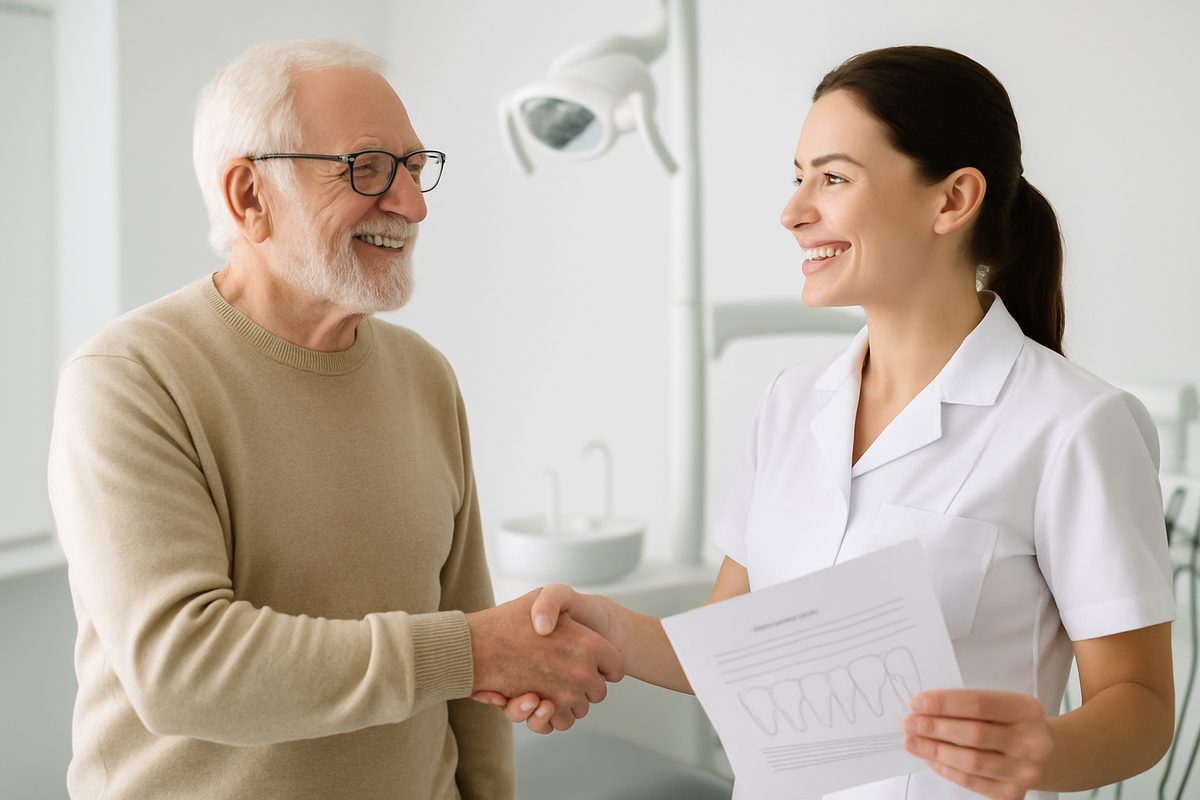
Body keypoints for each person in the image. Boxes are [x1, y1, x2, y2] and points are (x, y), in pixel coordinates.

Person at [477, 46, 1177, 800]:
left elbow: (1139, 707)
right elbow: (737, 647)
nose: (793, 211)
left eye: (834, 178)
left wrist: (1046, 747)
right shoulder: (790, 403)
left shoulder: (1075, 426)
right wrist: (607, 630)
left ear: (952, 200)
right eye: (799, 176)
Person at [47, 39, 623, 800]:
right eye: (367, 167)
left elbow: (468, 654)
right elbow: (182, 671)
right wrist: (473, 651)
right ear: (249, 195)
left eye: (415, 167)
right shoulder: (129, 380)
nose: (412, 205)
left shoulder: (425, 376)